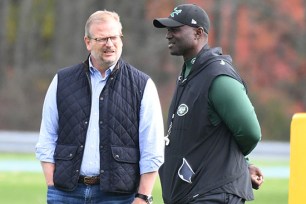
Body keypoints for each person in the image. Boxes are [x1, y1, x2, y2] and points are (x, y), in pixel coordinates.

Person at [35, 10, 164, 204]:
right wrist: (51, 182)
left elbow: (152, 146)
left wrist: (143, 196)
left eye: (114, 37)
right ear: (88, 42)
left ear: (121, 39)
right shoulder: (62, 81)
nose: (110, 44)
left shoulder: (142, 85)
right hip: (66, 194)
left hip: (119, 198)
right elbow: (47, 135)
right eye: (102, 38)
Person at [153, 4, 263, 204]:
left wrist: (235, 163)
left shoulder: (218, 77)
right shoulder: (190, 72)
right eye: (168, 30)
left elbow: (251, 133)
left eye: (175, 29)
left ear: (198, 33)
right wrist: (243, 163)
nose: (168, 35)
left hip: (212, 194)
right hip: (193, 194)